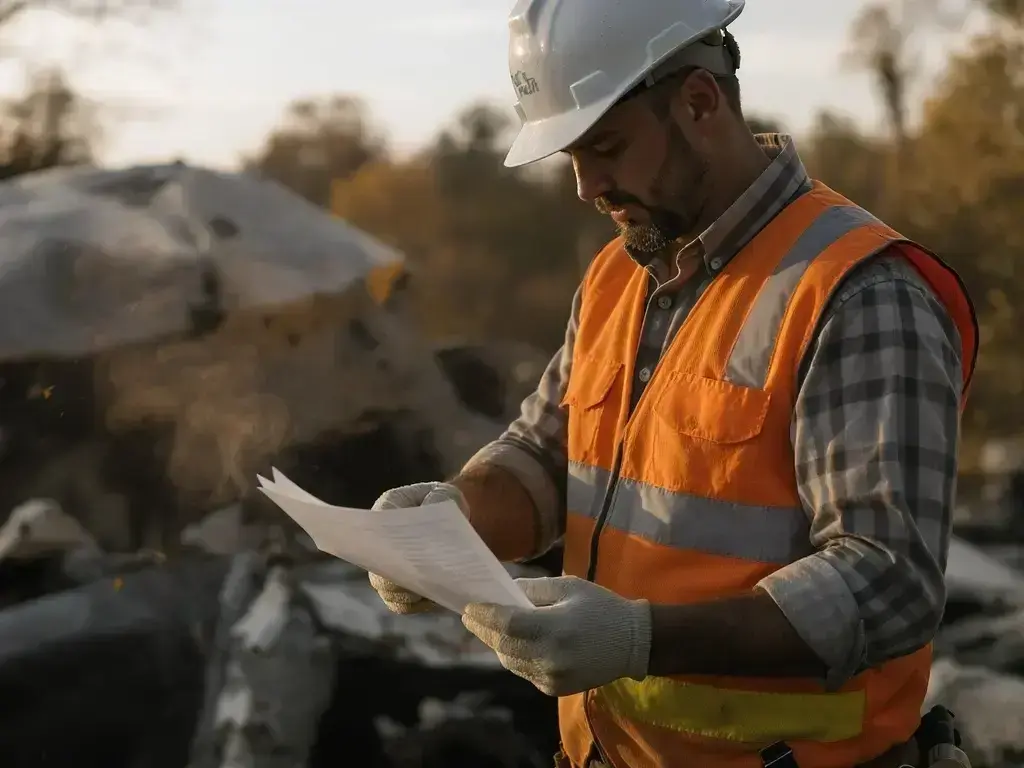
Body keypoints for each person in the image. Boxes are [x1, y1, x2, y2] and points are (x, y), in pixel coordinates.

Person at [368, 0, 979, 766]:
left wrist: (639, 639)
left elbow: (888, 583)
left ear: (699, 102)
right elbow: (551, 455)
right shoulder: (617, 276)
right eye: (572, 158)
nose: (587, 187)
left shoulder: (857, 293)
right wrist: (456, 518)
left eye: (609, 148)